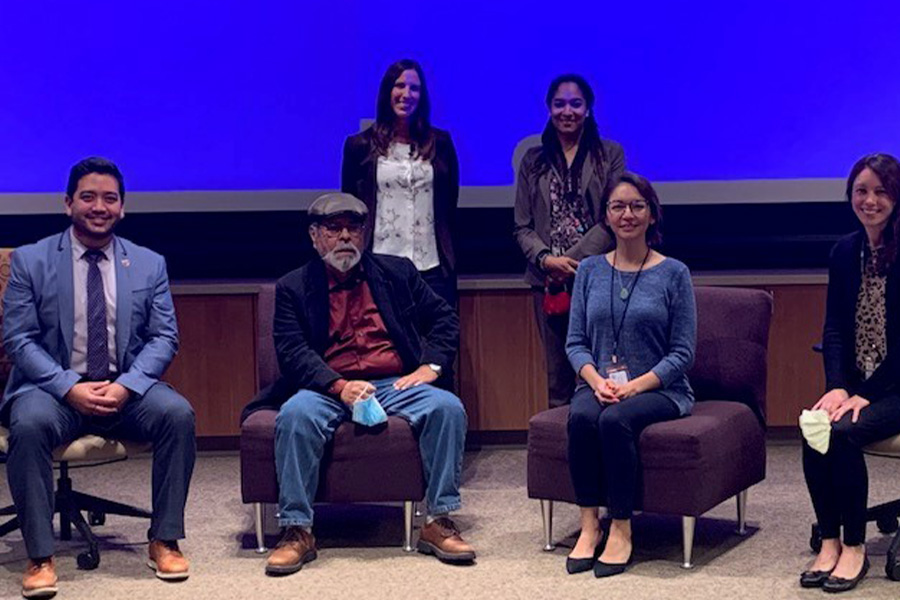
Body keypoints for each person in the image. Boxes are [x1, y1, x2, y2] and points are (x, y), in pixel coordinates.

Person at [244, 192, 474, 576]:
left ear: (365, 234)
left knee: (447, 407)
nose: (345, 237)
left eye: (353, 228)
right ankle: (298, 529)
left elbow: (444, 319)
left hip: (393, 382)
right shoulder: (293, 286)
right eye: (334, 229)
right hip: (327, 386)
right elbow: (293, 351)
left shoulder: (397, 273)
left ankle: (437, 521)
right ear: (315, 237)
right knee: (296, 415)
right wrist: (338, 386)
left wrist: (429, 368)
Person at [1, 157, 196, 598]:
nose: (99, 206)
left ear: (122, 208)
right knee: (28, 425)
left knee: (177, 415)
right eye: (88, 197)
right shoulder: (31, 261)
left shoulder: (149, 264)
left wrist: (127, 385)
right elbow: (18, 339)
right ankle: (40, 555)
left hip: (123, 388)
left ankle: (164, 539)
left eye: (110, 198)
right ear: (68, 203)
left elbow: (165, 337)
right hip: (52, 392)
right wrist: (68, 387)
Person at [564, 172, 696, 578]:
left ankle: (621, 526)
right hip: (601, 384)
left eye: (637, 206)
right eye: (618, 206)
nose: (627, 214)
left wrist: (636, 386)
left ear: (652, 215)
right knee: (583, 416)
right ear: (606, 216)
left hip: (661, 388)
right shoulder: (588, 271)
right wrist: (595, 380)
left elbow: (683, 353)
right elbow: (575, 343)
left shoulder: (674, 273)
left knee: (617, 420)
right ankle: (589, 525)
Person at [800, 153, 900, 593]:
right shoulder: (845, 251)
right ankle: (829, 540)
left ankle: (855, 546)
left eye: (881, 190)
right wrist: (838, 386)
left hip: (895, 386)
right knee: (815, 427)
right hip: (861, 383)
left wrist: (867, 394)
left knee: (841, 433)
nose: (870, 200)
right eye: (862, 190)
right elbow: (835, 328)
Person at [513, 73, 625, 408]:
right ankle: (561, 450)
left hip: (595, 274)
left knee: (603, 367)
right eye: (560, 103)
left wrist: (571, 261)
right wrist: (548, 261)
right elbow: (521, 226)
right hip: (547, 280)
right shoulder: (533, 159)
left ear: (588, 109)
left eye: (576, 103)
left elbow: (613, 217)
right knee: (557, 373)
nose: (568, 111)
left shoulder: (609, 154)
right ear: (549, 108)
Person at [341, 59, 460, 309]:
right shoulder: (360, 145)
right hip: (380, 266)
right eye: (399, 86)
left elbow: (449, 204)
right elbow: (350, 209)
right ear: (387, 91)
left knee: (436, 343)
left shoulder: (441, 143)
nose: (407, 94)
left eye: (414, 88)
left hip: (432, 267)